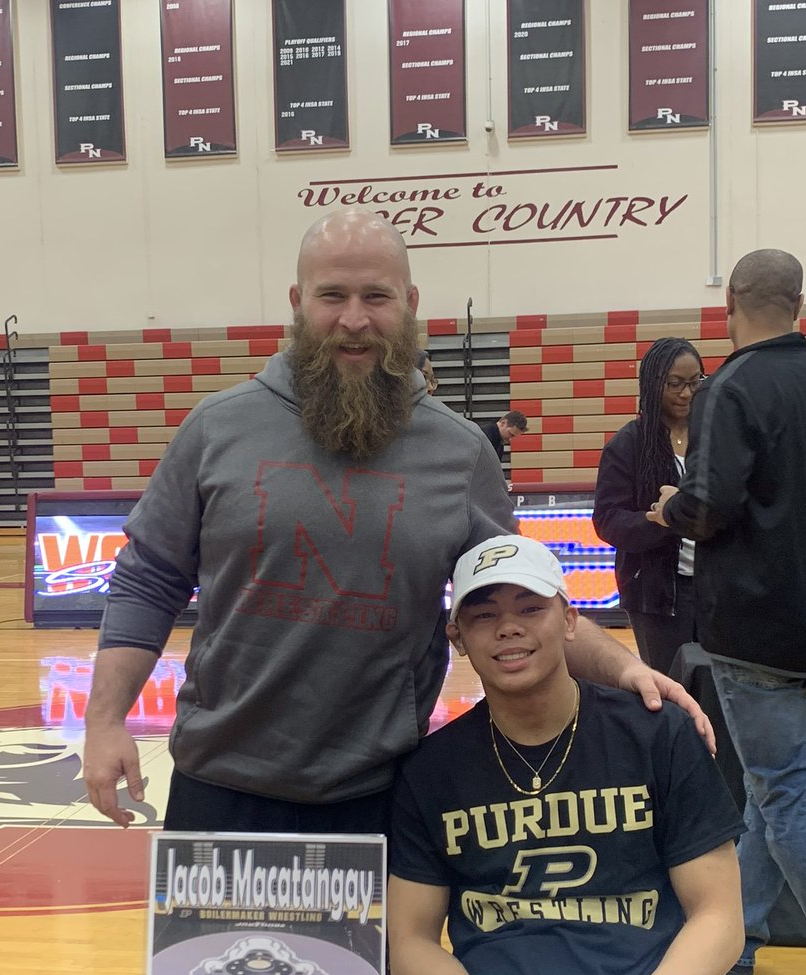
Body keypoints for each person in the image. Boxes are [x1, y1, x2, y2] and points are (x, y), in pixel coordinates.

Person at [83, 210, 712, 836]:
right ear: (299, 303)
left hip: (383, 796)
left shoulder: (461, 453)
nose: (354, 319)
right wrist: (106, 721)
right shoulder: (217, 429)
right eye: (333, 295)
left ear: (409, 304)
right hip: (218, 788)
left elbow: (521, 606)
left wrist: (626, 668)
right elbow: (149, 578)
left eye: (376, 297)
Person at [387, 535, 744, 975]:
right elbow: (410, 945)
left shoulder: (658, 737)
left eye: (531, 609)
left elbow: (718, 915)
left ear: (570, 620)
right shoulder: (432, 769)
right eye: (485, 615)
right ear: (459, 639)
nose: (508, 628)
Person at [648, 248, 806, 975]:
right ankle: (742, 940)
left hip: (757, 634)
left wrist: (670, 507)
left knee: (784, 798)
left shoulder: (734, 386)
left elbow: (711, 504)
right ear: (798, 300)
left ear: (731, 302)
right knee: (771, 794)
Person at [593, 337, 704, 673]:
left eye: (695, 381)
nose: (686, 393)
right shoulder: (628, 444)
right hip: (656, 594)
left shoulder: (713, 434)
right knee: (671, 688)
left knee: (716, 689)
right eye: (675, 384)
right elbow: (608, 520)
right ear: (653, 384)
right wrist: (660, 520)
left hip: (716, 587)